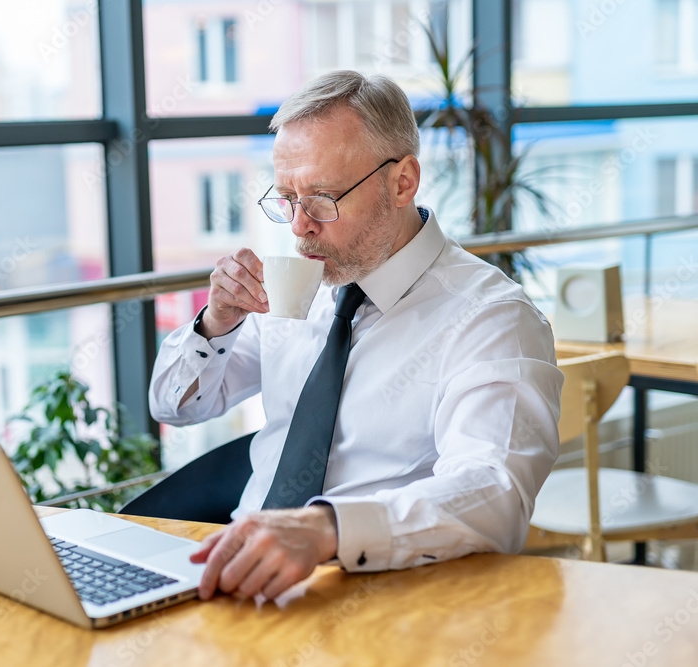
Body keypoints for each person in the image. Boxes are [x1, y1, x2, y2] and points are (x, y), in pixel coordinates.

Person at [148, 70, 564, 602]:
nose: (299, 227)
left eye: (322, 198)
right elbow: (175, 406)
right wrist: (216, 324)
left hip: (385, 596)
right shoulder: (300, 283)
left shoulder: (492, 318)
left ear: (402, 182)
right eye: (287, 199)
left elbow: (493, 494)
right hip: (237, 572)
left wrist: (326, 530)